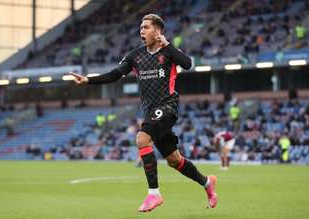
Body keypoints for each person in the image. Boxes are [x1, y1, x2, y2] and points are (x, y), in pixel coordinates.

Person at [69, 14, 217, 212]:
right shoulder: (135, 56)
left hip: (167, 107)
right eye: (141, 28)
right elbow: (115, 74)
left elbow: (188, 64)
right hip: (150, 112)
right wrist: (88, 80)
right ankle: (207, 183)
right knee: (174, 160)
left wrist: (168, 45)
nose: (142, 31)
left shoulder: (169, 52)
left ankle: (154, 194)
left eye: (146, 27)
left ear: (158, 31)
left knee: (142, 139)